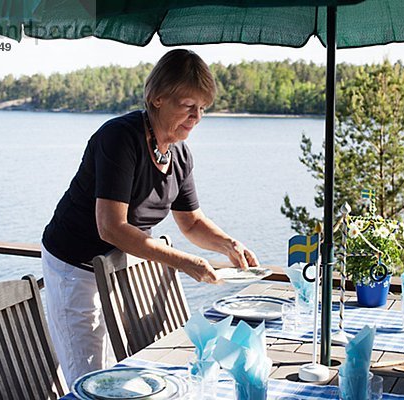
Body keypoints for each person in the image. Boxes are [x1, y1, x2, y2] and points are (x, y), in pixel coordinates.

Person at [41, 49, 259, 384]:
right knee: (88, 377)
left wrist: (228, 245)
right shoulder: (120, 138)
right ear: (157, 98)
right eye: (188, 105)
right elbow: (111, 227)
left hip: (117, 266)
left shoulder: (179, 153)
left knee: (119, 373)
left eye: (203, 108)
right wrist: (185, 261)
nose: (197, 116)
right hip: (75, 266)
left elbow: (192, 222)